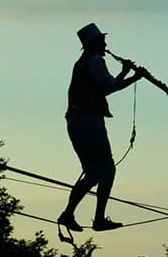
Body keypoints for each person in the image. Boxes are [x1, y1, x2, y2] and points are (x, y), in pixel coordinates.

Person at [58, 23, 144, 232]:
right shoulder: (95, 61)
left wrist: (126, 74)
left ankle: (69, 214)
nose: (105, 44)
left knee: (93, 172)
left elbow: (105, 86)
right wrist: (133, 76)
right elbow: (107, 88)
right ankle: (96, 219)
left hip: (77, 121)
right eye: (102, 40)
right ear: (95, 43)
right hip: (88, 121)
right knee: (105, 170)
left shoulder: (84, 62)